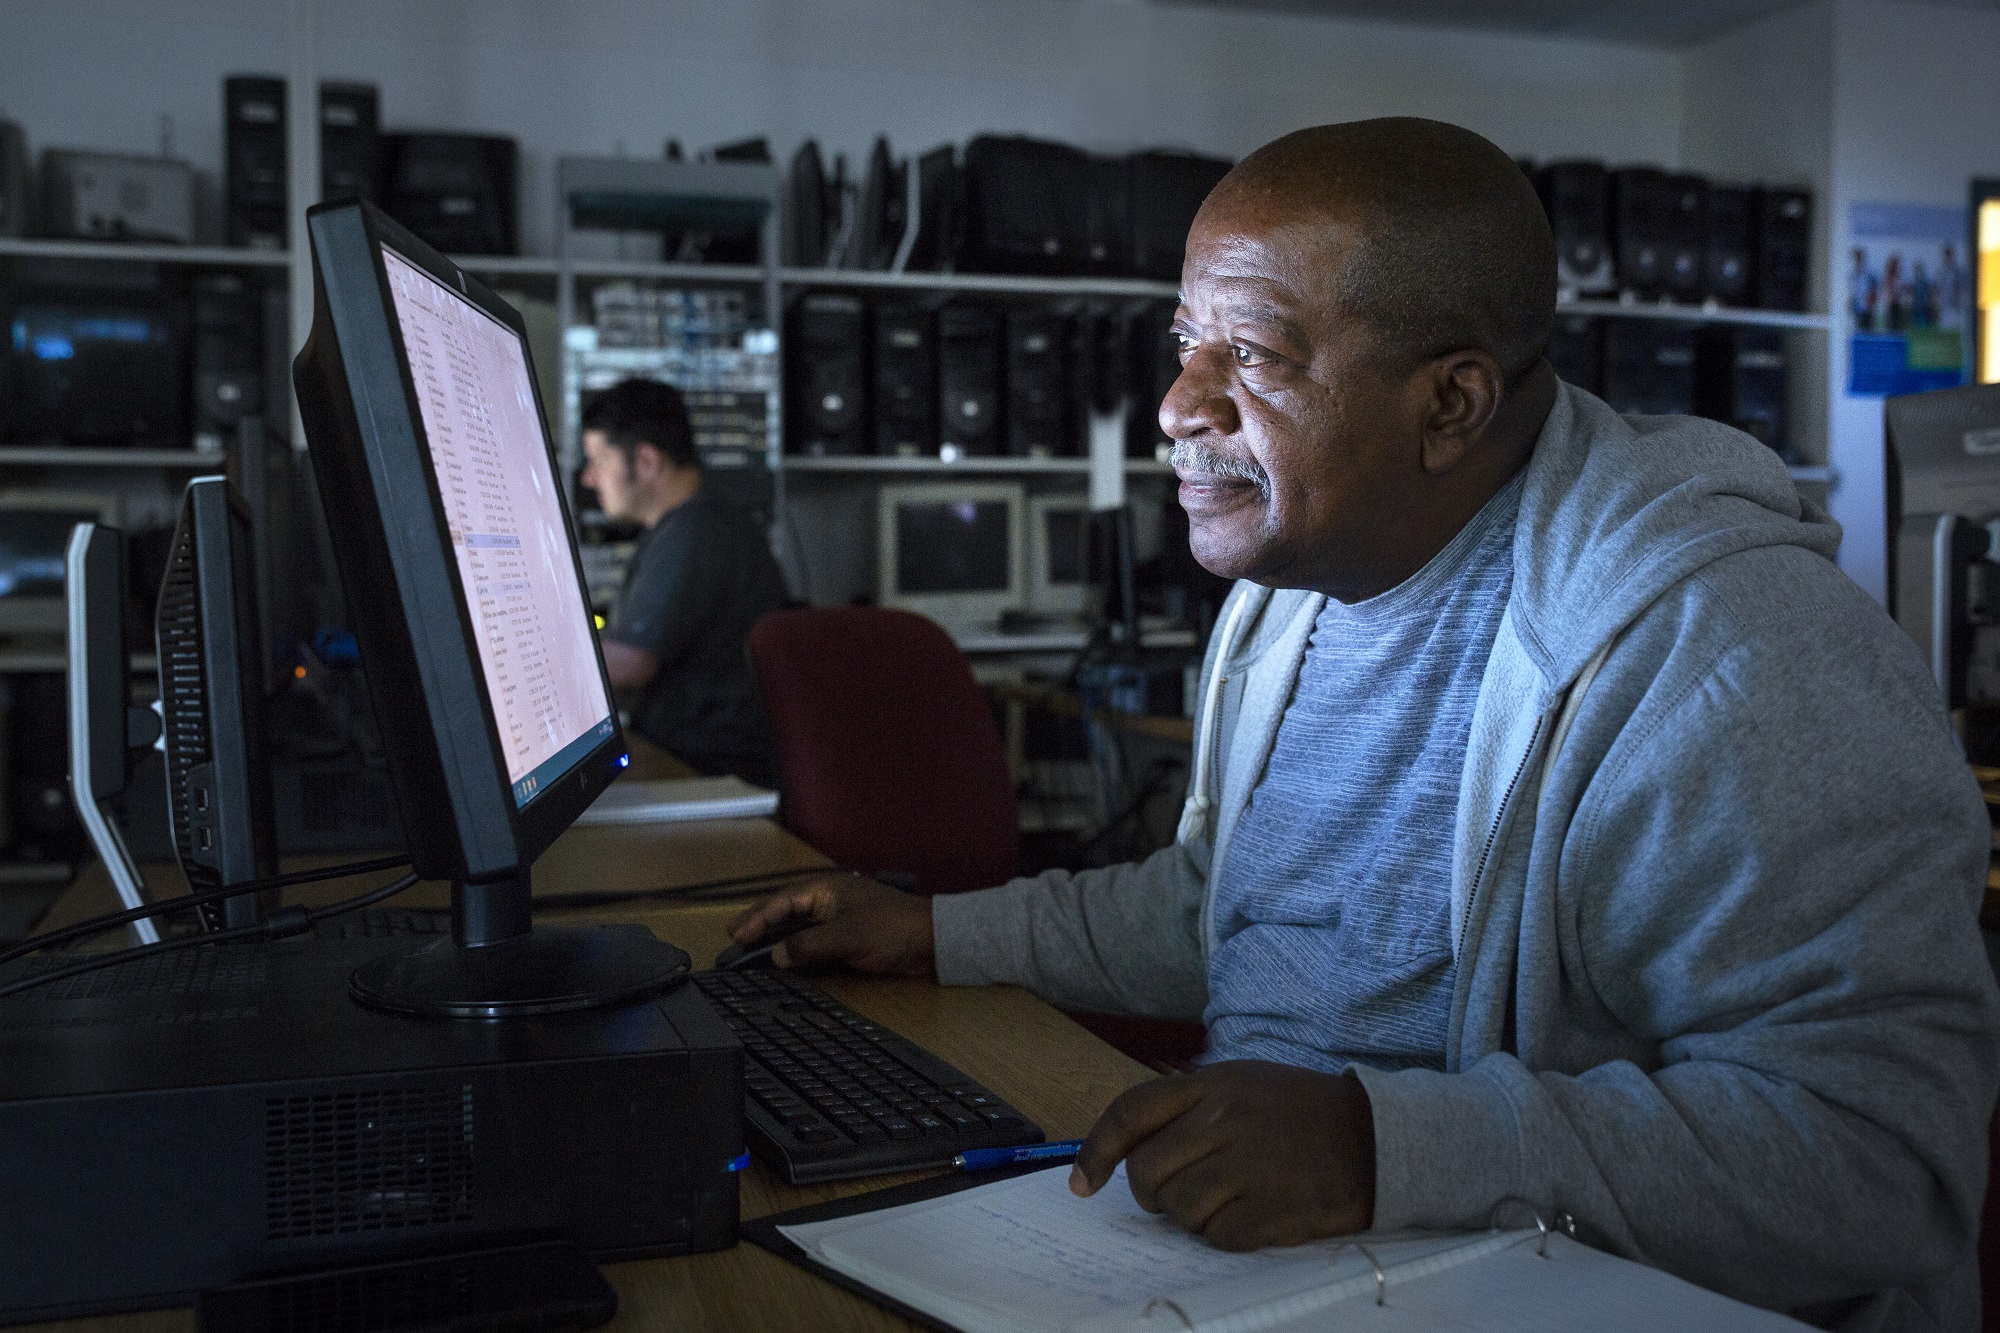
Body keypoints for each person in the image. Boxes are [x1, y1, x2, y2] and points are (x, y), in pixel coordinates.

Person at [729, 118, 2000, 1330]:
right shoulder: (1291, 596)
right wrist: (934, 931)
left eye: (1254, 356)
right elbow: (1217, 910)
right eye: (1184, 343)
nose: (1177, 405)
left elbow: (1885, 1158)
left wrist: (1377, 1147)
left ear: (1448, 405)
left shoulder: (1729, 653)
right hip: (1279, 1267)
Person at [581, 377, 787, 785]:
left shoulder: (694, 533)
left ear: (646, 462)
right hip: (700, 757)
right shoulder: (700, 522)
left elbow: (630, 663)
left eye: (599, 461)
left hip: (707, 767)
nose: (589, 478)